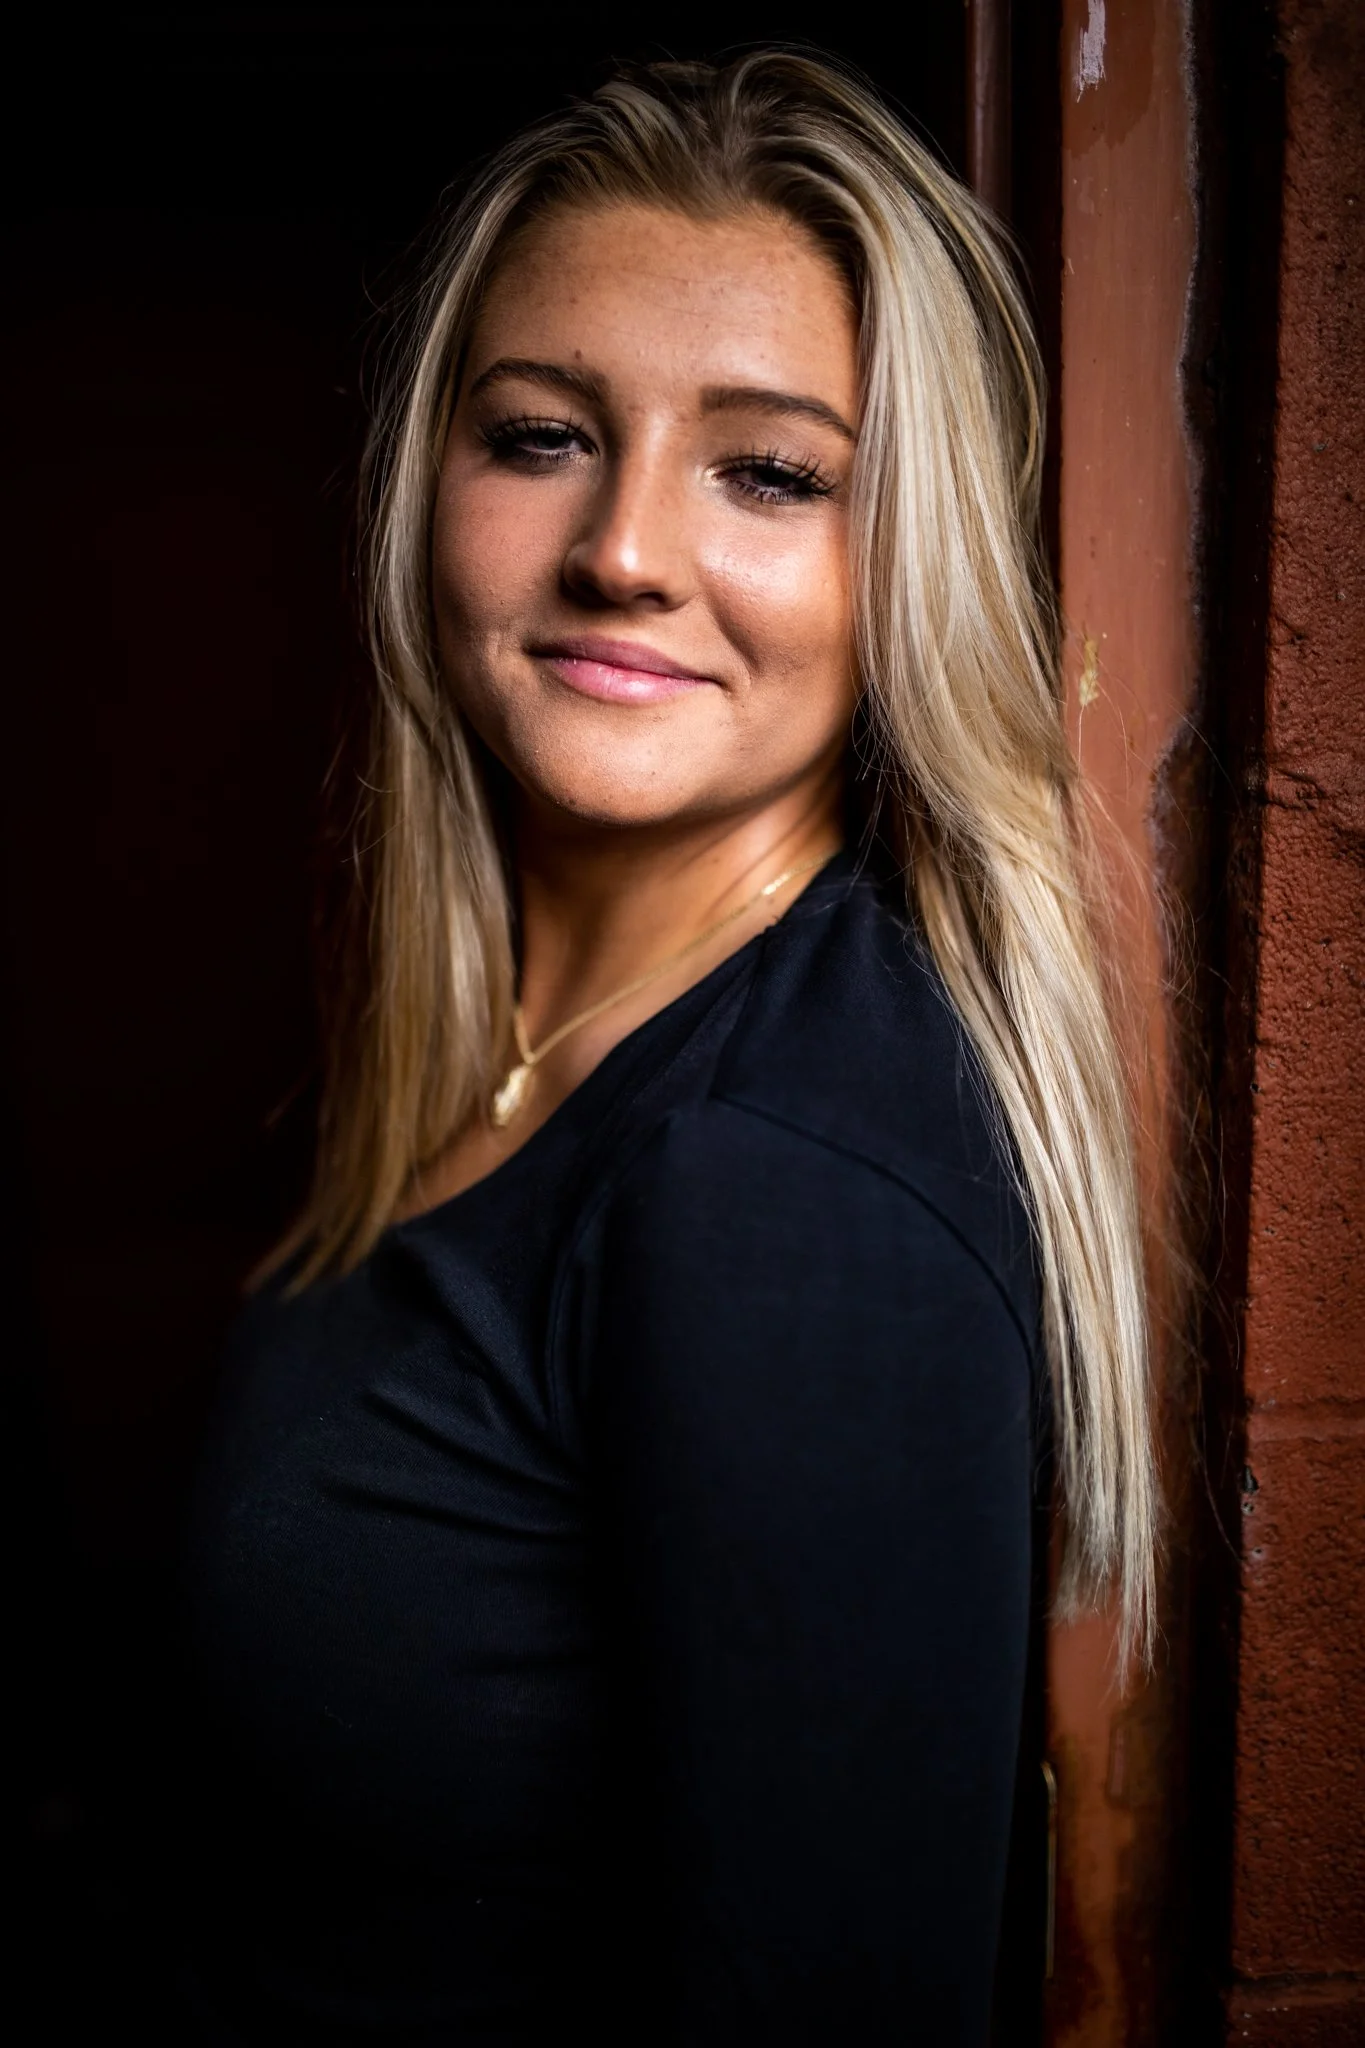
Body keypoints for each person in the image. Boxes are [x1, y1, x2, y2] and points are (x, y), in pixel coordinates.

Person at [176, 50, 1156, 2045]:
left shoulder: (775, 1179)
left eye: (770, 471)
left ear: (911, 569)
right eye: (540, 435)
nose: (624, 547)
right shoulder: (522, 1051)